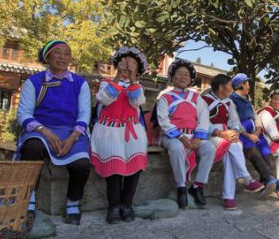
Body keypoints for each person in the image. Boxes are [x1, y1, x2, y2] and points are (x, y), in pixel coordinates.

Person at [16, 40, 91, 225]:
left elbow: (84, 114)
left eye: (67, 53)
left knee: (82, 163)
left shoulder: (80, 84)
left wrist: (73, 138)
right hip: (41, 129)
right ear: (47, 56)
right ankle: (29, 198)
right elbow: (23, 114)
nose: (63, 57)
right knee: (32, 147)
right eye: (57, 52)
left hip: (71, 132)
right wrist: (45, 132)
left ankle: (73, 202)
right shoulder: (34, 82)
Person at [91, 46, 149, 223]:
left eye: (132, 64)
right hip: (109, 131)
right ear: (117, 65)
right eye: (125, 62)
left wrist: (132, 81)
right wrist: (117, 78)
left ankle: (127, 204)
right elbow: (105, 99)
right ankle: (114, 206)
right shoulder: (106, 83)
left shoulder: (137, 87)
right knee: (114, 170)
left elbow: (137, 102)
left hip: (132, 131)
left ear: (138, 70)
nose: (128, 65)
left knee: (135, 169)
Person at [157, 59, 216, 209]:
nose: (183, 77)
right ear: (172, 76)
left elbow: (203, 118)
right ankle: (181, 186)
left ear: (190, 79)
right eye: (179, 74)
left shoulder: (197, 98)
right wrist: (180, 136)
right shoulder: (165, 97)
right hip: (173, 136)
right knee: (176, 148)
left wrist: (199, 136)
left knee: (209, 148)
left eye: (186, 75)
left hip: (194, 136)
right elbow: (163, 120)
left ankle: (198, 186)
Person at [202, 74, 266, 210]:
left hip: (227, 136)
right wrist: (219, 132)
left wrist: (236, 133)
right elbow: (201, 123)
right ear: (221, 87)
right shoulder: (203, 101)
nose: (232, 89)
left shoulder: (229, 102)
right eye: (230, 86)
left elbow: (234, 122)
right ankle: (245, 179)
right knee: (232, 145)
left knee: (232, 150)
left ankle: (229, 197)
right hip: (209, 136)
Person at [230, 73, 279, 197]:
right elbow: (234, 121)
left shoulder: (247, 100)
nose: (249, 86)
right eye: (247, 84)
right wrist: (248, 135)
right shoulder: (232, 100)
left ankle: (269, 181)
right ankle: (271, 180)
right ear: (241, 85)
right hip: (242, 133)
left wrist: (257, 130)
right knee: (252, 150)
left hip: (255, 132)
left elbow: (255, 117)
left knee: (265, 150)